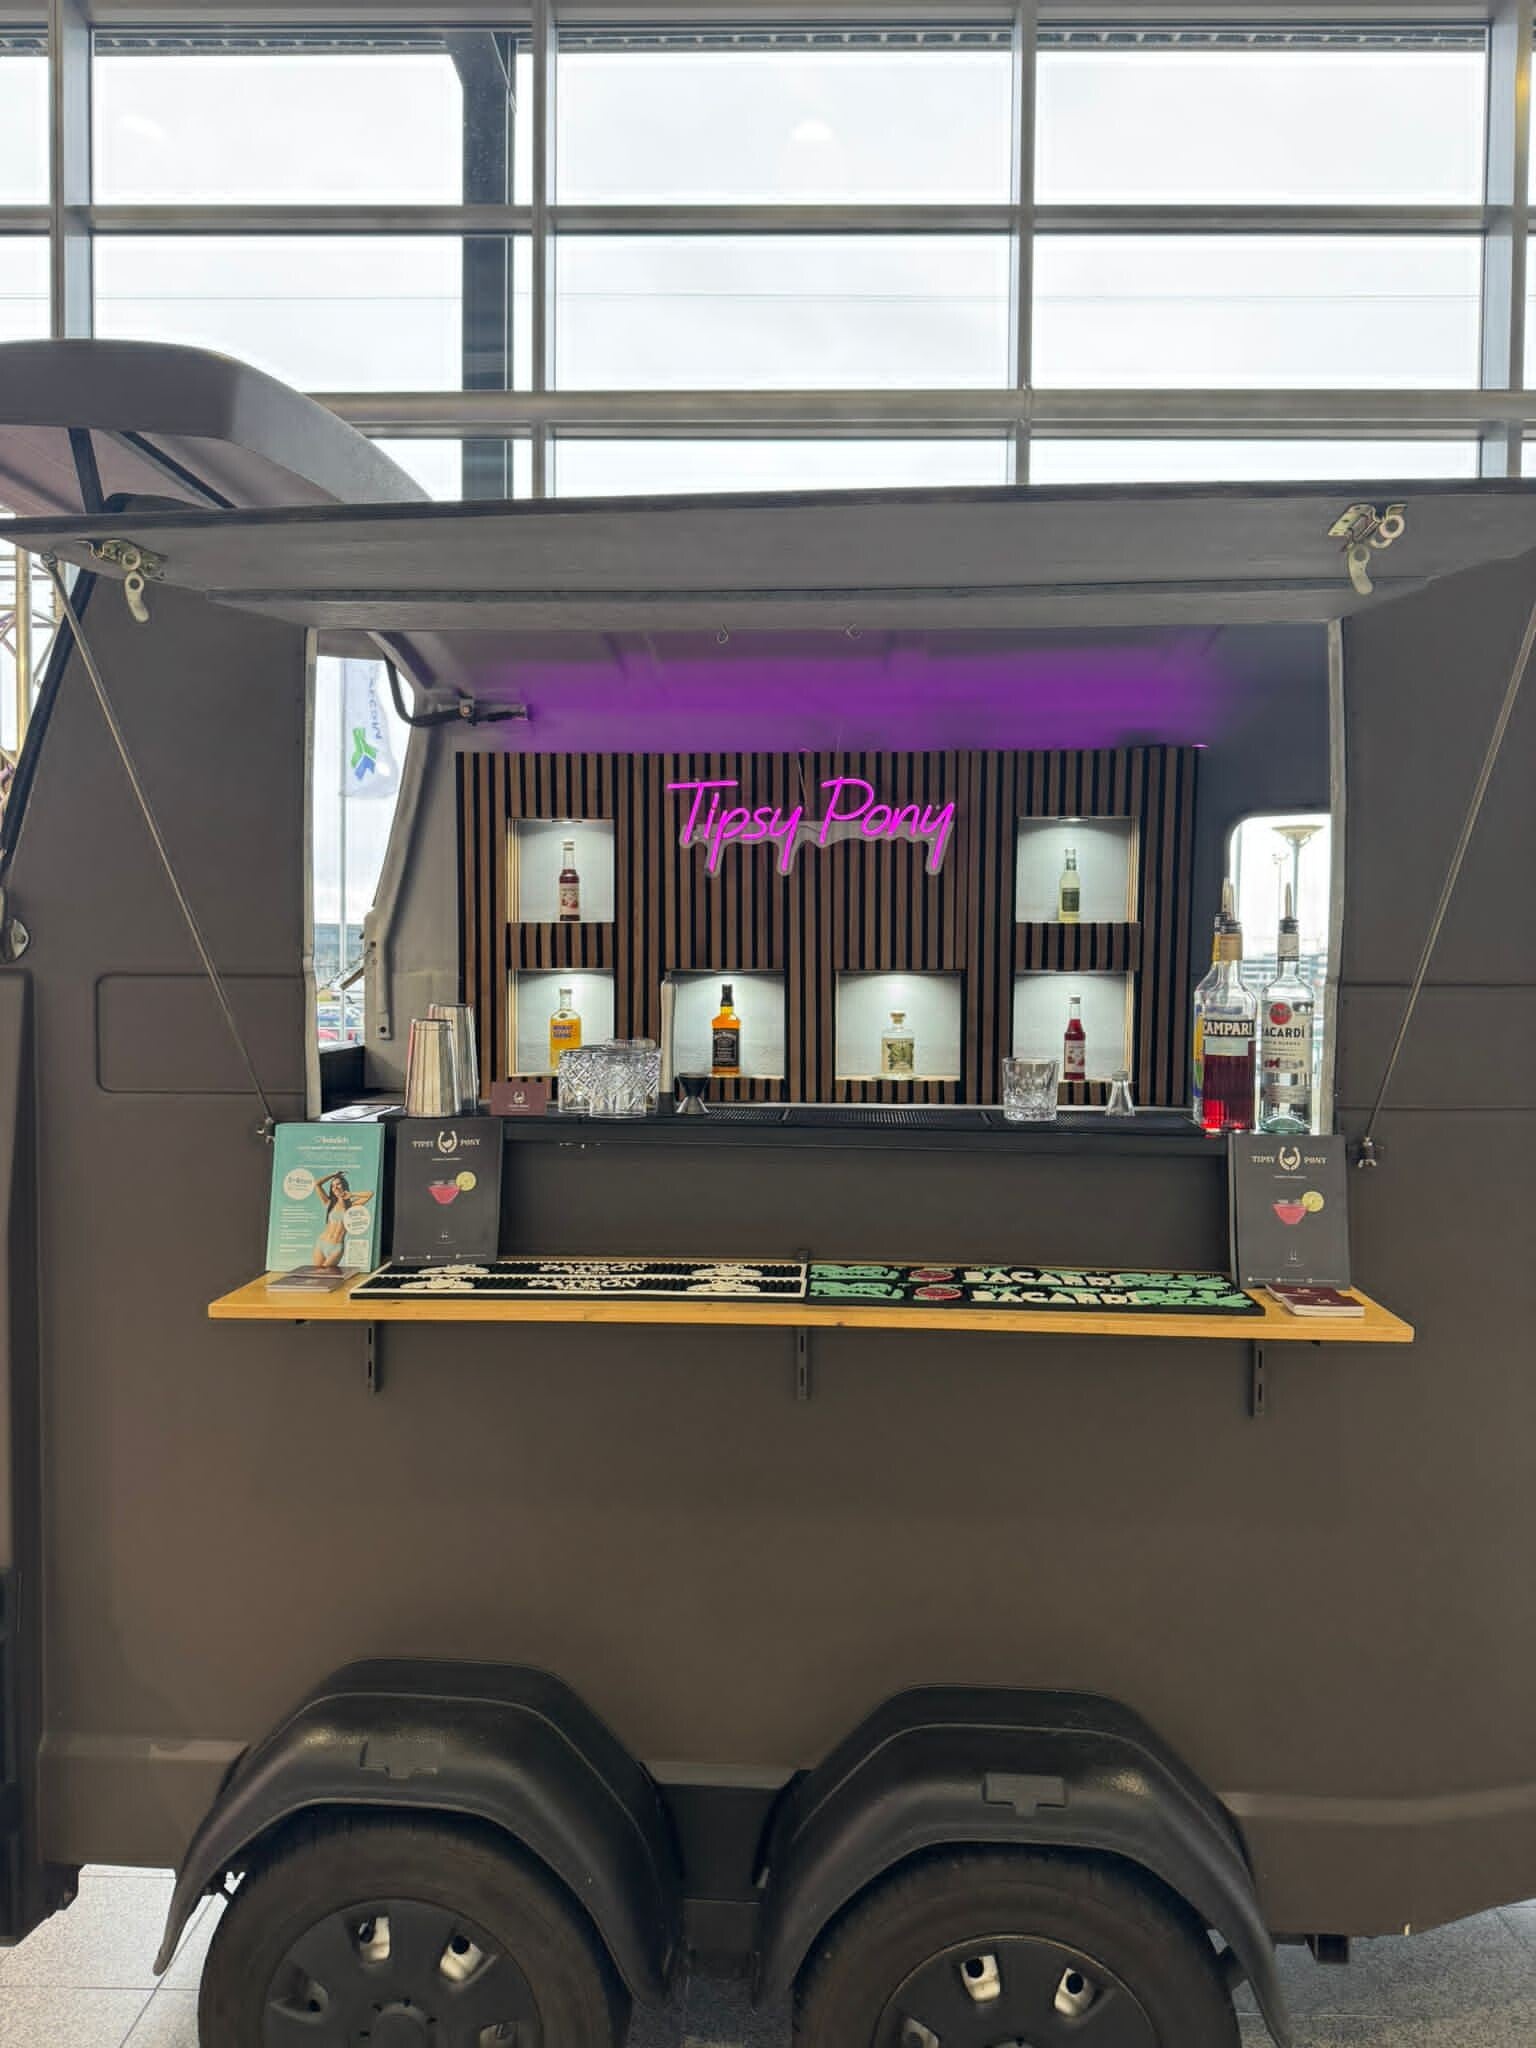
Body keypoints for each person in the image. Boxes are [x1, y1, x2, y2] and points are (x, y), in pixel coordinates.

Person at [312, 1170, 372, 1269]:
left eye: (338, 1184)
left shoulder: (351, 1206)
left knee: (324, 1273)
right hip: (321, 1243)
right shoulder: (329, 1203)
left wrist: (351, 1194)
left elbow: (370, 1194)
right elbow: (317, 1184)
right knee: (316, 1273)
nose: (335, 1187)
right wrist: (333, 1175)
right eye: (333, 1186)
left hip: (336, 1247)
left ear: (344, 1186)